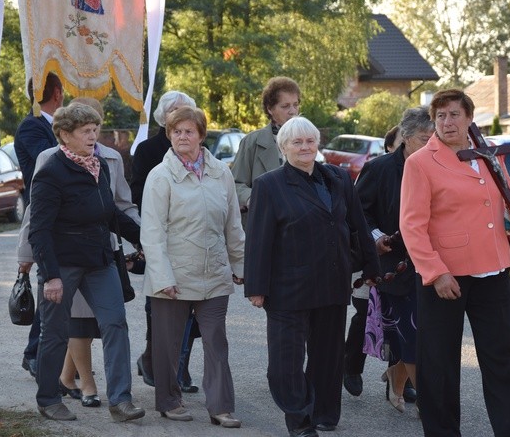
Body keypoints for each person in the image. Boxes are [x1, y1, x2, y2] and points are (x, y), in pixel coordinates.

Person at [400, 89, 510, 437]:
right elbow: (411, 226)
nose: (447, 122)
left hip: (493, 271)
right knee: (440, 366)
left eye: (455, 114)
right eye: (441, 116)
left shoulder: (487, 154)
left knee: (501, 359)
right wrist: (435, 272)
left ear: (469, 118)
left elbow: (507, 191)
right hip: (446, 278)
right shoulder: (420, 163)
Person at [244, 116, 379, 437]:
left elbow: (358, 226)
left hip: (332, 284)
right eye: (297, 142)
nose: (305, 147)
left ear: (317, 144)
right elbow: (258, 240)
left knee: (328, 358)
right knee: (284, 365)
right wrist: (256, 288)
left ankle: (324, 413)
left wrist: (372, 268)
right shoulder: (269, 185)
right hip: (286, 289)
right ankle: (300, 419)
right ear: (283, 147)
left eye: (309, 141)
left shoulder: (339, 178)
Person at [17, 98, 140, 409]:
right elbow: (40, 230)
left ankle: (120, 400)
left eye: (95, 129)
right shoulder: (51, 171)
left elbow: (110, 213)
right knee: (55, 334)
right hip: (63, 265)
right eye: (86, 130)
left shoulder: (98, 166)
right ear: (65, 135)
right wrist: (51, 276)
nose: (92, 136)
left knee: (115, 323)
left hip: (100, 260)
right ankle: (48, 400)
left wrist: (145, 239)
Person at [141, 106, 244, 428]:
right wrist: (162, 277)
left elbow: (233, 225)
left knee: (216, 342)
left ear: (201, 135)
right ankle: (169, 400)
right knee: (168, 345)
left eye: (188, 131)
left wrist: (240, 264)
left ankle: (221, 407)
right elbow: (152, 233)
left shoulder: (221, 173)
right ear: (169, 135)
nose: (182, 137)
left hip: (213, 273)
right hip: (173, 276)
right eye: (176, 131)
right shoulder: (160, 176)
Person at [356, 107, 434, 413]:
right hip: (395, 266)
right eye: (425, 139)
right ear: (407, 138)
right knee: (412, 334)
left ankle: (396, 379)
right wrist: (376, 237)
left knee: (420, 336)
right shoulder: (380, 169)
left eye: (434, 138)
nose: (431, 144)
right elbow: (358, 211)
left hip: (435, 264)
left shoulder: (441, 164)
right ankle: (432, 408)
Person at [129, 90, 197, 389]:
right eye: (179, 111)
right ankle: (155, 360)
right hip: (160, 236)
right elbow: (137, 195)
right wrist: (143, 237)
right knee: (159, 305)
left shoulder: (198, 148)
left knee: (193, 306)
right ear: (165, 117)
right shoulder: (147, 150)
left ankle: (179, 367)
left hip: (194, 239)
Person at [15, 73, 64, 379]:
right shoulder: (32, 126)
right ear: (57, 93)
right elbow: (44, 164)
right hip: (46, 213)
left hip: (66, 214)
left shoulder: (52, 126)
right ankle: (34, 353)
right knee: (51, 286)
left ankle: (67, 360)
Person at [231, 76, 300, 219]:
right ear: (270, 109)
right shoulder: (251, 142)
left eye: (295, 104)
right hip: (263, 222)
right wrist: (255, 199)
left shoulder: (307, 140)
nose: (293, 111)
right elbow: (235, 185)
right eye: (285, 106)